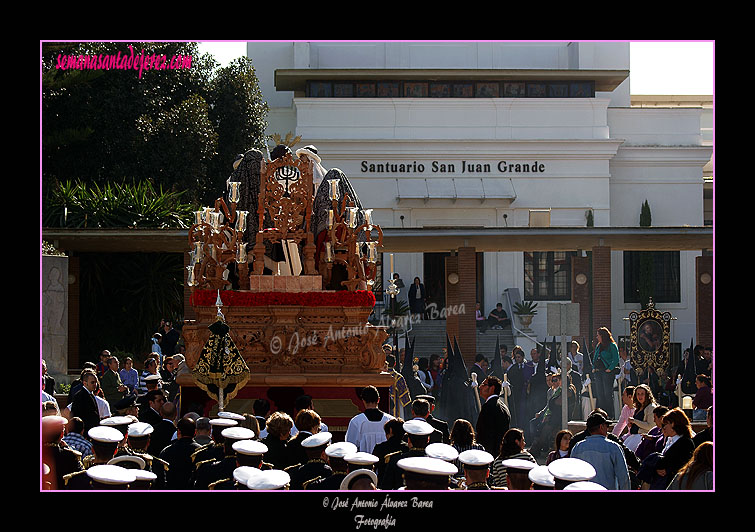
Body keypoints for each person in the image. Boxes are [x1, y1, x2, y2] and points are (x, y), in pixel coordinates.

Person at [637, 407, 695, 490]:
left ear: (673, 424)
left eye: (665, 424)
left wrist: (666, 469)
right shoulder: (669, 440)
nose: (663, 427)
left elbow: (682, 463)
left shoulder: (685, 442)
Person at [570, 411, 631, 490]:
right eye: (606, 426)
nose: (607, 429)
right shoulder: (613, 447)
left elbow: (572, 474)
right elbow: (623, 477)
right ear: (601, 427)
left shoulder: (578, 447)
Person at [528, 372, 577, 458]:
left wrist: (553, 404)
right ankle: (536, 447)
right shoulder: (559, 390)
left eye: (559, 379)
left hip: (561, 417)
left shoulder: (569, 390)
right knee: (539, 426)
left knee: (546, 428)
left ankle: (537, 448)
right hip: (555, 416)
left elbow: (558, 402)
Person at [345, 385, 394, 454]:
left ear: (363, 401)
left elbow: (350, 447)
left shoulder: (356, 421)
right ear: (378, 400)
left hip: (363, 462)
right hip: (384, 463)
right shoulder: (390, 420)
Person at [158, 417, 202, 490]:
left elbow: (160, 476)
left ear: (178, 432)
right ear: (195, 432)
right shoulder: (201, 452)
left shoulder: (166, 451)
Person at [475, 375, 511, 457]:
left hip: (489, 453)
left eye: (484, 385)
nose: (480, 387)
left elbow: (483, 433)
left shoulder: (489, 407)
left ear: (492, 388)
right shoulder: (503, 406)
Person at [591, 327, 620, 419]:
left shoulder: (612, 345)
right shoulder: (599, 346)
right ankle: (601, 414)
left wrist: (610, 369)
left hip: (607, 372)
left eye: (598, 335)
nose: (597, 337)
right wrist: (593, 368)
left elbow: (616, 359)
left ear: (603, 336)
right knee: (600, 394)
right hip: (598, 372)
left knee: (607, 393)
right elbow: (595, 357)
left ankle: (610, 415)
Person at [623, 383, 658, 453]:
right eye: (638, 394)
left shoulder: (651, 407)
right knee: (622, 450)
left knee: (627, 453)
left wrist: (635, 421)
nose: (640, 396)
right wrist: (632, 424)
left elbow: (651, 426)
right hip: (634, 435)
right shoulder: (638, 407)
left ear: (647, 395)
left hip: (642, 436)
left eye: (642, 394)